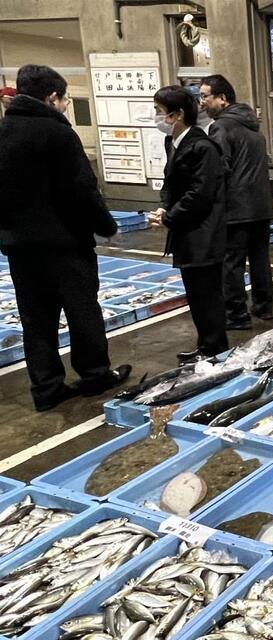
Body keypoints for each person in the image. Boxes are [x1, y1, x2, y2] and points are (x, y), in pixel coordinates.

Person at [0, 65, 131, 411]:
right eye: (64, 99)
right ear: (52, 97)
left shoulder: (3, 131)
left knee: (36, 319)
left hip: (21, 249)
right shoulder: (57, 133)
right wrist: (107, 226)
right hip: (65, 245)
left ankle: (46, 388)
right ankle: (95, 376)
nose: (65, 105)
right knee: (82, 312)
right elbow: (82, 191)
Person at [149, 85, 229, 362]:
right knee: (196, 296)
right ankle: (206, 346)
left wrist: (169, 216)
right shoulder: (174, 141)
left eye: (160, 112)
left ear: (178, 113)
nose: (157, 117)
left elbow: (200, 194)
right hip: (187, 232)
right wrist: (163, 207)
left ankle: (215, 350)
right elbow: (171, 185)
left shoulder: (203, 147)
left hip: (203, 233)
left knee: (207, 297)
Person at [199, 74, 273, 330]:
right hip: (261, 206)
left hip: (236, 208)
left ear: (222, 98)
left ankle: (237, 315)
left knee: (231, 264)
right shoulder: (253, 126)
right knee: (260, 259)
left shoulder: (221, 127)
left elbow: (219, 168)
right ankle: (264, 308)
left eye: (205, 96)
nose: (202, 103)